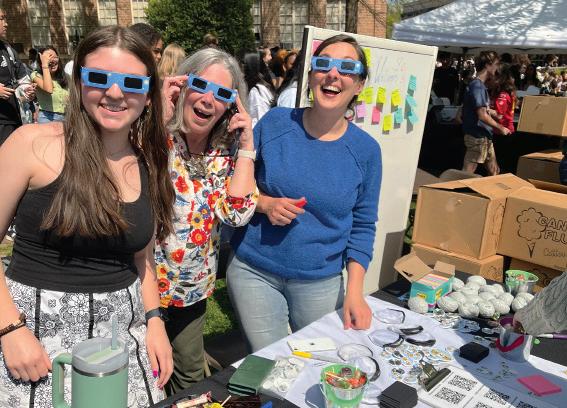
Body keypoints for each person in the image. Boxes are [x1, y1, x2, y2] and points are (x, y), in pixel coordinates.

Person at [0, 25, 175, 407]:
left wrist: (155, 322)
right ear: (79, 83)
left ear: (148, 94)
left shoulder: (148, 161)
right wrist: (10, 329)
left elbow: (142, 258)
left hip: (121, 340)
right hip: (35, 341)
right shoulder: (32, 144)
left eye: (132, 82)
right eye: (99, 78)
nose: (115, 92)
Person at [228, 34, 382, 352]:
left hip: (321, 281)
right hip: (254, 271)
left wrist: (355, 292)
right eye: (323, 64)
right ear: (310, 76)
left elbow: (363, 225)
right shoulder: (275, 123)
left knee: (320, 362)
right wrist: (264, 203)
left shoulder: (366, 151)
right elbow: (234, 180)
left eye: (347, 68)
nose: (333, 74)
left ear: (359, 85)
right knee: (271, 364)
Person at [156, 47, 258, 394]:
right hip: (142, 287)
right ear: (182, 85)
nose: (208, 99)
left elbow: (236, 213)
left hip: (191, 289)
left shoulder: (225, 154)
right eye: (200, 85)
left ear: (232, 105)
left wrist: (247, 145)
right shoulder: (156, 136)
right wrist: (157, 117)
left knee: (188, 375)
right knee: (145, 373)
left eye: (222, 93)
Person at [461, 51, 510, 176]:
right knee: (466, 173)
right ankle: (453, 189)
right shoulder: (477, 87)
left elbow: (482, 110)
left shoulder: (478, 86)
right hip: (477, 137)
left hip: (483, 137)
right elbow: (482, 115)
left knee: (494, 170)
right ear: (488, 65)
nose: (497, 68)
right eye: (496, 64)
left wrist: (493, 113)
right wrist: (500, 127)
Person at [0, 7, 35, 146]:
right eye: (1, 19)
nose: (6, 24)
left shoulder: (8, 49)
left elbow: (22, 80)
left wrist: (27, 91)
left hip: (14, 119)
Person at [31, 46, 69, 123]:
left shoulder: (67, 77)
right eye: (47, 58)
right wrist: (45, 65)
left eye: (54, 57)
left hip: (67, 117)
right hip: (47, 118)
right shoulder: (36, 75)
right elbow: (49, 89)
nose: (51, 61)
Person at [243, 52, 275, 126]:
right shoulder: (260, 86)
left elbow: (259, 119)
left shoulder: (256, 91)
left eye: (245, 64)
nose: (242, 67)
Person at [491, 65, 516, 135]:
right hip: (503, 130)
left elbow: (498, 115)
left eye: (494, 76)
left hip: (503, 131)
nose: (492, 77)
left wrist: (484, 109)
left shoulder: (503, 95)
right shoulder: (506, 92)